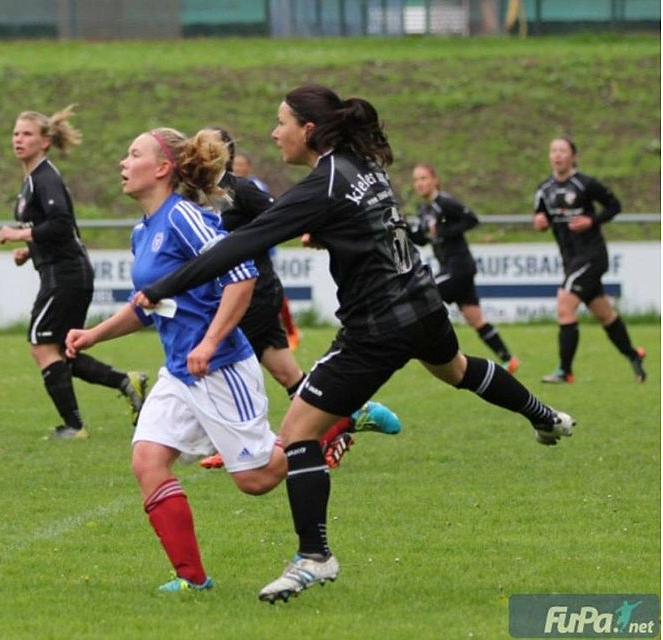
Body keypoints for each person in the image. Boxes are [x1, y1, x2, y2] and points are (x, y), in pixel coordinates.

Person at [134, 85, 575, 603]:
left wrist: (161, 288)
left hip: (376, 327)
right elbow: (371, 223)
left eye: (281, 123)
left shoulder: (321, 186)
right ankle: (544, 415)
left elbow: (240, 244)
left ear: (310, 131)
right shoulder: (364, 164)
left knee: (297, 433)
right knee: (456, 369)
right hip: (423, 301)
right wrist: (336, 235)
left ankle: (314, 556)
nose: (275, 133)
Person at [65, 127, 286, 593]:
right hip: (181, 372)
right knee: (147, 459)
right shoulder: (143, 231)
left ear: (163, 168)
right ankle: (192, 579)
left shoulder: (184, 217)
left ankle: (326, 427)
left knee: (257, 479)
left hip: (220, 367)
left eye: (133, 154)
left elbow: (242, 277)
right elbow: (150, 306)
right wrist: (94, 336)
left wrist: (208, 342)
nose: (123, 164)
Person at [200, 127, 402, 471]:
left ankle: (244, 444)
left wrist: (319, 235)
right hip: (236, 294)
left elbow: (285, 217)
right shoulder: (200, 196)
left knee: (220, 360)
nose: (195, 147)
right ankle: (350, 417)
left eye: (204, 142)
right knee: (286, 374)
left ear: (223, 153)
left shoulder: (242, 191)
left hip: (255, 292)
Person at [0, 106, 147, 439]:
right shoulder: (32, 179)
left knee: (41, 344)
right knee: (63, 348)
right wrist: (30, 250)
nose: (18, 140)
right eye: (16, 133)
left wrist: (18, 234)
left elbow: (61, 224)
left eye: (27, 134)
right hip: (63, 273)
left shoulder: (45, 177)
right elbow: (48, 229)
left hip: (66, 276)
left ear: (45, 141)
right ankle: (126, 381)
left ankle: (75, 426)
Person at [533, 137, 646, 384]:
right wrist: (541, 223)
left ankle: (565, 370)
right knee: (605, 314)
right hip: (571, 259)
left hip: (591, 255)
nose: (558, 155)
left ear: (573, 156)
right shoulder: (544, 189)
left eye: (563, 151)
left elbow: (614, 206)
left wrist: (592, 221)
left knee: (564, 305)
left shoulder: (585, 184)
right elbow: (541, 217)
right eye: (553, 151)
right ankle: (634, 355)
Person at [409, 163, 519, 373]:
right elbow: (423, 240)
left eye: (424, 178)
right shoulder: (424, 209)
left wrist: (444, 230)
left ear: (435, 180)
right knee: (474, 317)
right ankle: (508, 359)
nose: (420, 183)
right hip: (451, 268)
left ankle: (441, 353)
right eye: (416, 180)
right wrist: (404, 229)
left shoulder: (445, 202)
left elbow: (471, 219)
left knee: (425, 295)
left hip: (458, 267)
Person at [232, 149, 302, 350]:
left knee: (270, 288)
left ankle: (291, 330)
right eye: (235, 165)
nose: (238, 168)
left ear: (248, 168)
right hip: (241, 249)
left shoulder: (255, 187)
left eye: (241, 165)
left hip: (261, 248)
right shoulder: (227, 190)